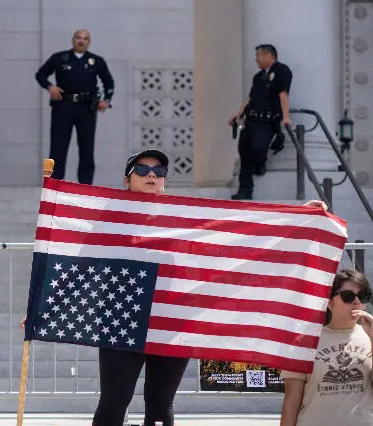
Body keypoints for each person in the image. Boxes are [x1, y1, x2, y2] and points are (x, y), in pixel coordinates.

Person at [21, 149, 327, 426]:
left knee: (161, 403)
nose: (152, 175)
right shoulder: (109, 218)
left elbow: (240, 231)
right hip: (121, 318)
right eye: (142, 170)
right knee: (114, 402)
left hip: (173, 319)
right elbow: (79, 267)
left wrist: (301, 216)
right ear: (127, 179)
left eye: (159, 171)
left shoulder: (186, 218)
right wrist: (44, 309)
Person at [280, 269, 373, 426]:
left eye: (363, 296)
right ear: (330, 302)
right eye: (348, 296)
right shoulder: (305, 342)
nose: (357, 302)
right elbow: (291, 401)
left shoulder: (369, 336)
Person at [35, 29, 115, 185]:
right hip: (63, 106)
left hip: (87, 108)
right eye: (78, 37)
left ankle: (86, 186)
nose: (81, 41)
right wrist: (50, 87)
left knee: (86, 147)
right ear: (73, 40)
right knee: (57, 147)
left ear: (89, 42)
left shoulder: (96, 61)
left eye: (85, 39)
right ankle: (54, 184)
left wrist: (106, 100)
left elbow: (109, 82)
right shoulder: (60, 58)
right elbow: (40, 75)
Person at [228, 44, 293, 200]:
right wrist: (237, 115)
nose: (256, 59)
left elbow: (283, 94)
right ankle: (245, 190)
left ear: (268, 56)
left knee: (257, 149)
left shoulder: (281, 71)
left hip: (266, 121)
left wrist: (286, 117)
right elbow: (250, 99)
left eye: (258, 55)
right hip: (250, 119)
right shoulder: (258, 77)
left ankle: (260, 163)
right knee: (244, 151)